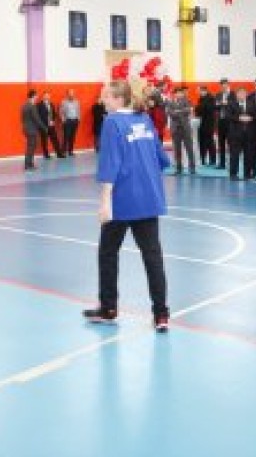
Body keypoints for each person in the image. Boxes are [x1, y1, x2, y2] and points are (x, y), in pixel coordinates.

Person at [84, 79, 171, 333]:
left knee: (108, 253)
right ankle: (161, 314)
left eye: (107, 97)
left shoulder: (112, 122)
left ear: (119, 99)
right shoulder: (144, 119)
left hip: (122, 200)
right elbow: (162, 158)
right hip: (149, 199)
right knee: (153, 257)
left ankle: (108, 308)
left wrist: (104, 202)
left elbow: (110, 163)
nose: (103, 101)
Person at [166, 85, 196, 175]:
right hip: (175, 129)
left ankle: (192, 168)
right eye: (178, 93)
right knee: (177, 150)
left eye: (181, 93)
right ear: (174, 94)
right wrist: (180, 112)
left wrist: (177, 111)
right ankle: (179, 168)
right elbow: (170, 113)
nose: (180, 94)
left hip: (185, 128)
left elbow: (188, 110)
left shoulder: (187, 101)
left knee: (189, 148)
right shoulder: (170, 102)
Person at [227, 84, 252, 180]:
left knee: (248, 155)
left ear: (246, 94)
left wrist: (250, 118)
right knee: (234, 155)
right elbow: (228, 116)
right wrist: (239, 118)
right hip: (235, 134)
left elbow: (255, 115)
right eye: (239, 93)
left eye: (243, 93)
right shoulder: (231, 104)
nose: (241, 95)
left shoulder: (251, 103)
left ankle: (247, 174)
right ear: (236, 95)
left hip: (248, 134)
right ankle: (233, 174)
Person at [22, 90, 48, 170]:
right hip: (32, 130)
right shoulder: (32, 106)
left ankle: (29, 164)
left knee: (30, 147)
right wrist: (44, 128)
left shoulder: (24, 105)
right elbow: (37, 119)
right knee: (31, 148)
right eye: (36, 95)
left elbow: (23, 119)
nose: (37, 97)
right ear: (33, 96)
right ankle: (28, 165)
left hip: (26, 129)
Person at [36, 91, 65, 159]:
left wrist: (53, 120)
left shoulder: (51, 104)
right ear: (43, 97)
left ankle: (59, 154)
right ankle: (46, 154)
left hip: (51, 125)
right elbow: (39, 116)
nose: (47, 97)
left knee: (55, 139)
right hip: (43, 126)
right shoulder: (39, 105)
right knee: (44, 140)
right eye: (46, 96)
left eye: (48, 96)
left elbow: (54, 113)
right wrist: (45, 123)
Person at [194, 85, 217, 167]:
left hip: (209, 124)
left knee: (210, 142)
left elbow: (208, 109)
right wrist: (198, 109)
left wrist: (199, 108)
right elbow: (198, 111)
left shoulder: (211, 98)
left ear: (204, 90)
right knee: (201, 141)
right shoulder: (201, 98)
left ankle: (212, 159)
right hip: (201, 123)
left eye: (199, 91)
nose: (198, 92)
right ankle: (203, 158)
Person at [60, 89, 82, 157]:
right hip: (67, 121)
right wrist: (63, 120)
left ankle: (70, 151)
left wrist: (78, 119)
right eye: (70, 93)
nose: (71, 95)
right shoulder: (63, 102)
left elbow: (78, 110)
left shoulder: (77, 102)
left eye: (72, 93)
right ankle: (63, 151)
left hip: (75, 121)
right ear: (67, 94)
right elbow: (61, 111)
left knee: (72, 137)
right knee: (66, 137)